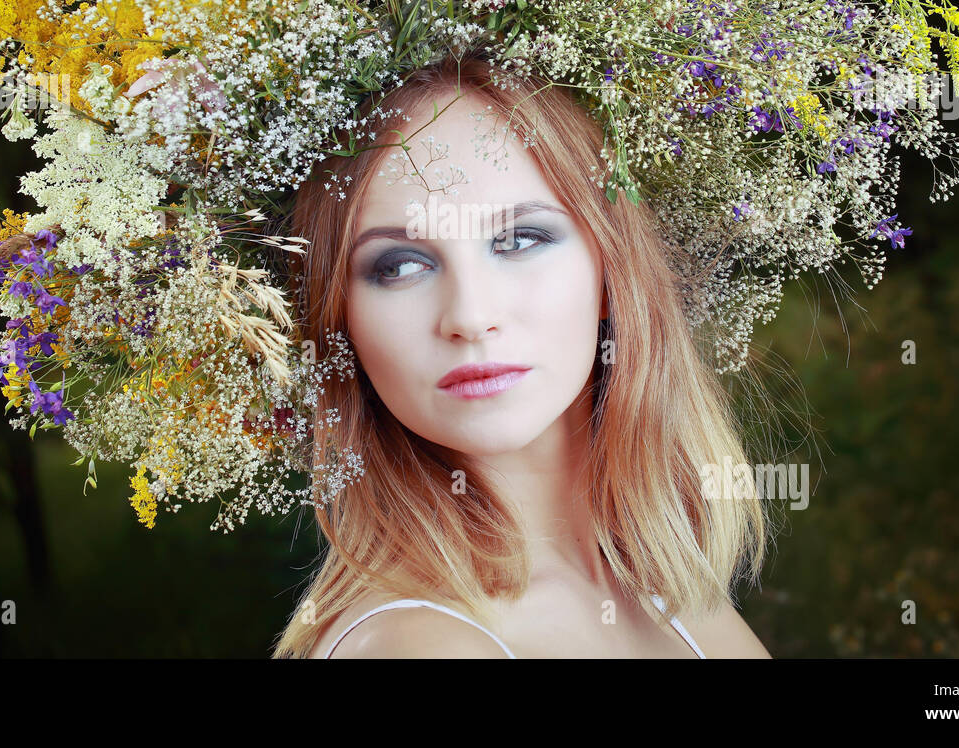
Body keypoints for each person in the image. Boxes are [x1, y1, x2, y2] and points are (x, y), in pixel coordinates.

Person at [271, 57, 771, 658]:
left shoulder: (670, 594)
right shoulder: (416, 646)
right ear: (339, 319)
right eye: (399, 265)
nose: (469, 315)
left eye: (520, 239)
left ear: (613, 270)